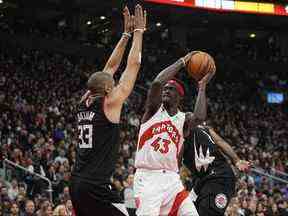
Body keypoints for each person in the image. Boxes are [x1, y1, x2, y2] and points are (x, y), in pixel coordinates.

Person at [70, 4, 146, 216]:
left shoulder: (83, 101)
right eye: (112, 84)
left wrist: (124, 35)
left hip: (77, 182)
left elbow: (108, 69)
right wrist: (138, 33)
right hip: (95, 187)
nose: (115, 85)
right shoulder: (109, 103)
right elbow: (133, 66)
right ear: (106, 89)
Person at [134, 51, 215, 216]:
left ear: (180, 96)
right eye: (165, 89)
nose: (165, 91)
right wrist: (182, 62)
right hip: (148, 177)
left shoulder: (183, 119)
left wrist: (202, 86)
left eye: (170, 89)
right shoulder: (153, 111)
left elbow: (199, 117)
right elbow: (157, 83)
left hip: (172, 180)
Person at [182, 125, 250, 216]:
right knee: (187, 211)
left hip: (220, 176)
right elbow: (219, 141)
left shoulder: (203, 129)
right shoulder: (175, 139)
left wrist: (236, 160)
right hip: (202, 180)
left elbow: (219, 141)